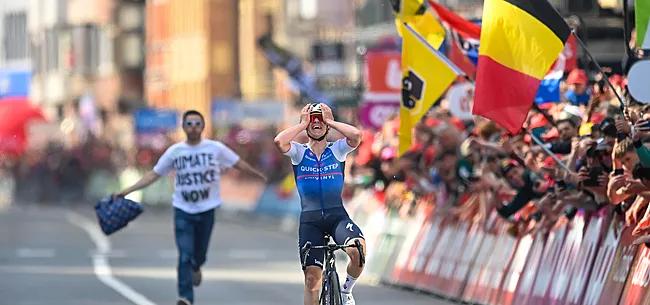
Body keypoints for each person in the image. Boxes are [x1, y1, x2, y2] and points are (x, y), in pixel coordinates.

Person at [114, 110, 267, 305]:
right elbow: (154, 174)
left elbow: (237, 163)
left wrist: (259, 175)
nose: (193, 127)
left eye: (197, 123)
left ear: (202, 127)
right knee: (185, 254)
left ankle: (197, 266)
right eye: (189, 124)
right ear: (184, 127)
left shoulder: (215, 148)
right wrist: (126, 191)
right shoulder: (175, 152)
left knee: (200, 253)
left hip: (207, 209)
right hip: (183, 210)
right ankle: (185, 297)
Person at [273, 103, 365, 305]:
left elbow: (356, 135)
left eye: (320, 120)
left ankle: (346, 291)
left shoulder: (338, 150)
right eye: (312, 121)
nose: (317, 123)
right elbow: (280, 141)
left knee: (358, 251)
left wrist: (330, 120)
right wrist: (303, 122)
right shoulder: (298, 152)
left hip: (337, 217)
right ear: (306, 127)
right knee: (312, 280)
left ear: (328, 126)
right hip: (311, 221)